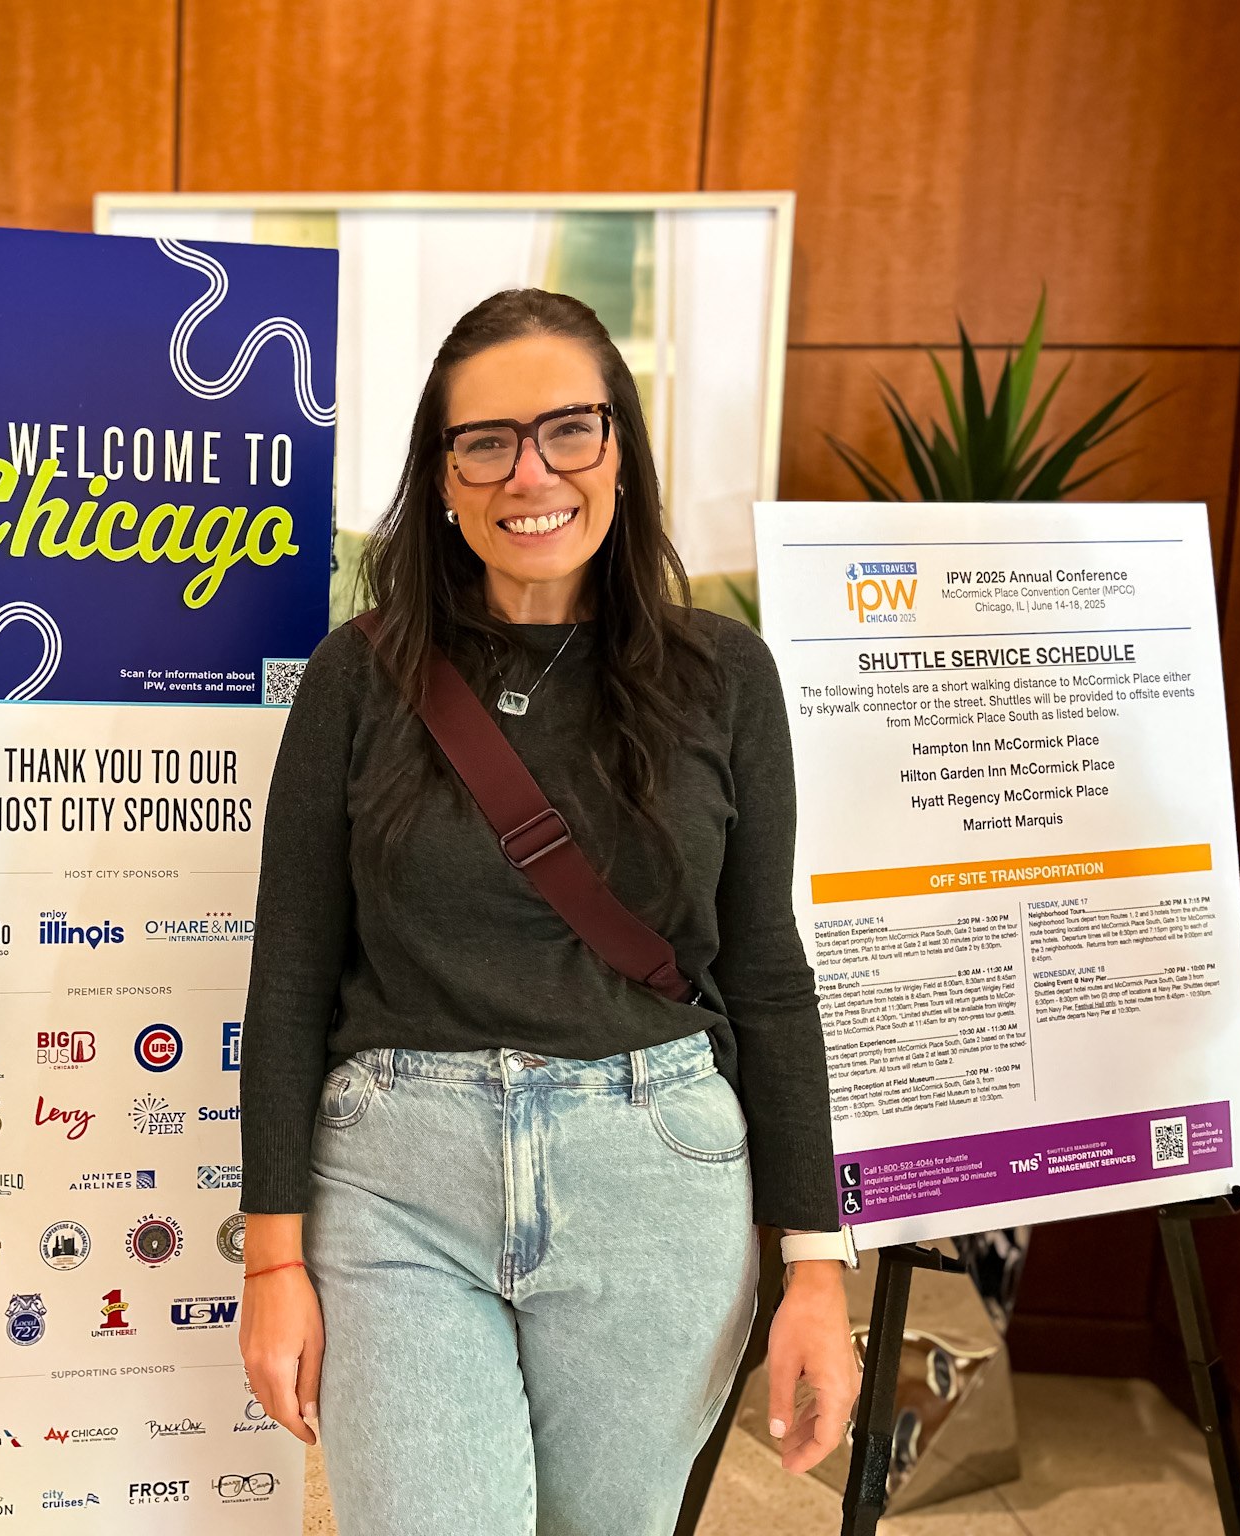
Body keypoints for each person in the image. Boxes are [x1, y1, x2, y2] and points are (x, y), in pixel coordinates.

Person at [235, 288, 857, 1535]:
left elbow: (768, 972)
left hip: (657, 1174)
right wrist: (270, 1261)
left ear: (619, 449)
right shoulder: (356, 677)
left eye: (568, 430)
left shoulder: (722, 676)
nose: (531, 473)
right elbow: (291, 971)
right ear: (445, 480)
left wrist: (814, 1271)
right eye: (486, 442)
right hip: (397, 1179)